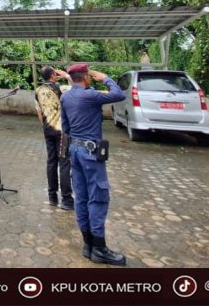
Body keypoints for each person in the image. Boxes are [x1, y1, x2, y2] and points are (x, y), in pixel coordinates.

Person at [60, 63, 126, 266]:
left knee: (81, 197)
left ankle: (88, 245)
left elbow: (65, 127)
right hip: (90, 153)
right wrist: (105, 78)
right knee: (97, 197)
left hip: (74, 150)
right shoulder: (91, 95)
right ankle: (99, 249)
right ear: (86, 77)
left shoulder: (65, 97)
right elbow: (119, 94)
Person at [35, 65, 73, 210]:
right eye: (55, 73)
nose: (57, 75)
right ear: (52, 75)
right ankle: (66, 199)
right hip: (62, 132)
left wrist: (45, 127)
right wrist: (66, 76)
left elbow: (39, 112)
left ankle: (52, 197)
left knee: (51, 162)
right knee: (64, 163)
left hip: (48, 130)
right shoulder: (61, 88)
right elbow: (77, 88)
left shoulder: (38, 91)